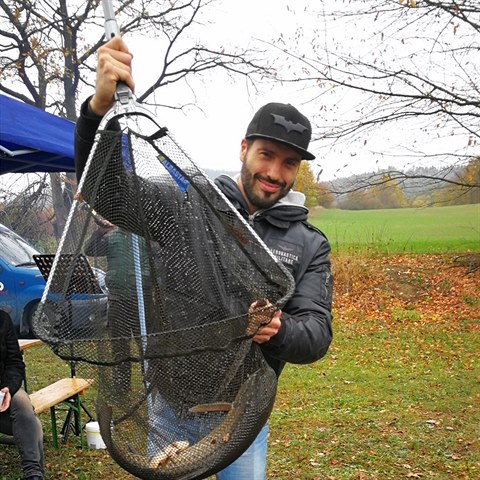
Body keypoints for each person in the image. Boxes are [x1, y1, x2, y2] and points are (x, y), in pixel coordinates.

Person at [74, 35, 333, 480]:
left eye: (288, 163)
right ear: (244, 149)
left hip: (242, 418)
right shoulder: (187, 206)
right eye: (266, 154)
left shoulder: (309, 243)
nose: (274, 173)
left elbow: (317, 333)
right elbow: (108, 193)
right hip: (167, 407)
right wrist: (97, 113)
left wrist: (280, 328)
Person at [0, 317, 44, 480]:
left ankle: (33, 473)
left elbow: (15, 363)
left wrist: (8, 389)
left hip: (3, 389)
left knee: (23, 404)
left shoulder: (3, 320)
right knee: (35, 427)